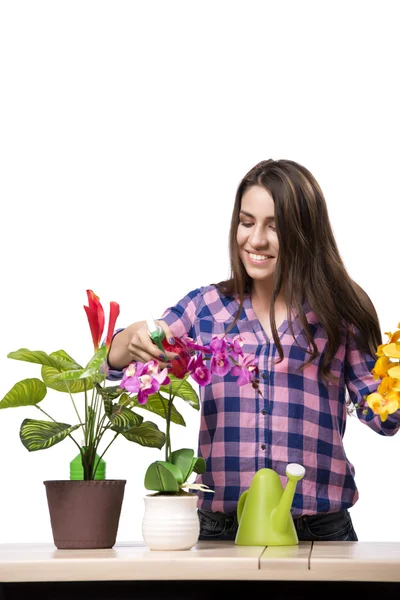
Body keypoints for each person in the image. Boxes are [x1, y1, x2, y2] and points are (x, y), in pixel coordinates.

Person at [107, 158, 400, 542]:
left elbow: (383, 418)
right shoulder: (205, 307)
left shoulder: (340, 313)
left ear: (305, 232)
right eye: (247, 222)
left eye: (274, 227)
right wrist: (131, 338)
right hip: (222, 529)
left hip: (317, 529)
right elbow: (122, 355)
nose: (256, 240)